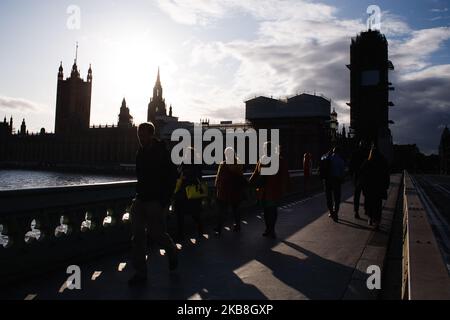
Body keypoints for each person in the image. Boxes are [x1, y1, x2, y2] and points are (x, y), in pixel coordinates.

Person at [129, 122, 178, 286]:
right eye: (138, 135)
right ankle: (140, 272)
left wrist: (164, 200)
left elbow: (173, 177)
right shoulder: (140, 153)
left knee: (156, 234)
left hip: (156, 200)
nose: (139, 138)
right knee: (137, 235)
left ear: (151, 135)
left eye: (142, 135)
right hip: (141, 198)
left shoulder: (163, 152)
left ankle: (171, 250)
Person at [249, 142, 290, 239]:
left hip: (273, 190)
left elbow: (284, 175)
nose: (265, 150)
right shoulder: (263, 160)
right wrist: (249, 182)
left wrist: (284, 188)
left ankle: (271, 229)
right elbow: (256, 173)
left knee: (271, 210)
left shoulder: (278, 160)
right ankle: (269, 229)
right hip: (264, 191)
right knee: (267, 211)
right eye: (265, 148)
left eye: (267, 148)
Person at [174, 147, 205, 241]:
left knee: (186, 213)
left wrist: (185, 176)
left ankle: (182, 233)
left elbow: (196, 176)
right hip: (187, 192)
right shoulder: (187, 163)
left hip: (188, 191)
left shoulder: (192, 164)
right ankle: (195, 230)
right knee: (188, 213)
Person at [214, 147, 246, 235]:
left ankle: (220, 227)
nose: (227, 155)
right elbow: (240, 176)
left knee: (224, 210)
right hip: (231, 190)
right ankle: (234, 225)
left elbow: (218, 177)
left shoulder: (224, 164)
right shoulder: (238, 163)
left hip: (228, 190)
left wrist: (217, 186)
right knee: (233, 209)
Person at [359, 145, 390, 230]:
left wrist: (363, 187)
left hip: (369, 188)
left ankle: (370, 218)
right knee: (378, 206)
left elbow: (362, 175)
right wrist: (386, 185)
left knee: (369, 204)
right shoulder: (383, 162)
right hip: (379, 188)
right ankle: (377, 222)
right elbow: (386, 175)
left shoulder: (367, 162)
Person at [320, 146, 345, 222]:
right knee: (337, 198)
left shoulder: (328, 158)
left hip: (328, 180)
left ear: (333, 152)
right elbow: (342, 173)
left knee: (329, 197)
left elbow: (321, 158)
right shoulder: (341, 160)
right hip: (336, 180)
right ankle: (336, 213)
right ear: (339, 152)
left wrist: (327, 153)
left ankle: (331, 212)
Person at [349, 141, 369, 219]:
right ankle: (366, 209)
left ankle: (356, 211)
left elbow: (351, 165)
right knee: (366, 195)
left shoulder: (355, 153)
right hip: (365, 177)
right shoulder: (367, 154)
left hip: (357, 177)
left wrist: (351, 176)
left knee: (357, 196)